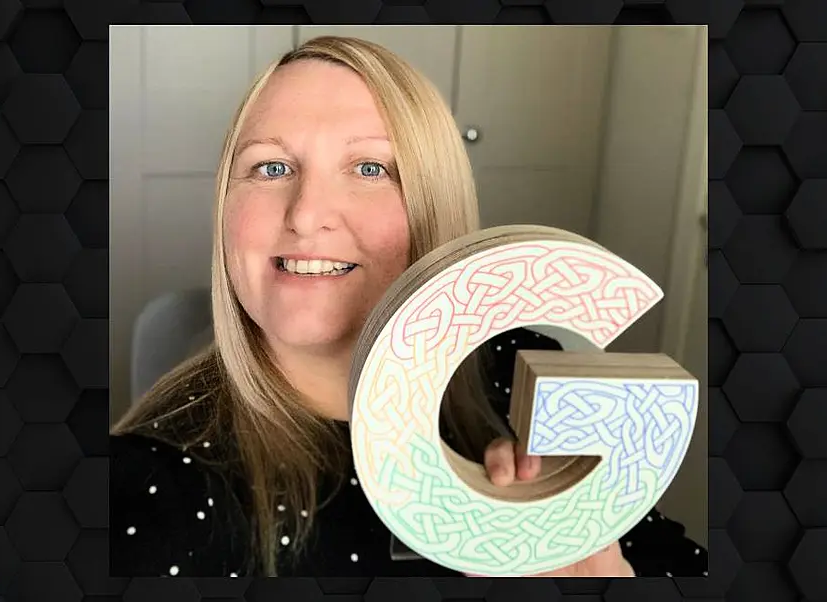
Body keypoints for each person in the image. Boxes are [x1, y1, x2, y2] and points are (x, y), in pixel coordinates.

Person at [109, 35, 708, 579]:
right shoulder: (148, 491)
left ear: (433, 201)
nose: (306, 213)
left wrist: (603, 566)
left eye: (370, 167)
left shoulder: (518, 365)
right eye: (271, 167)